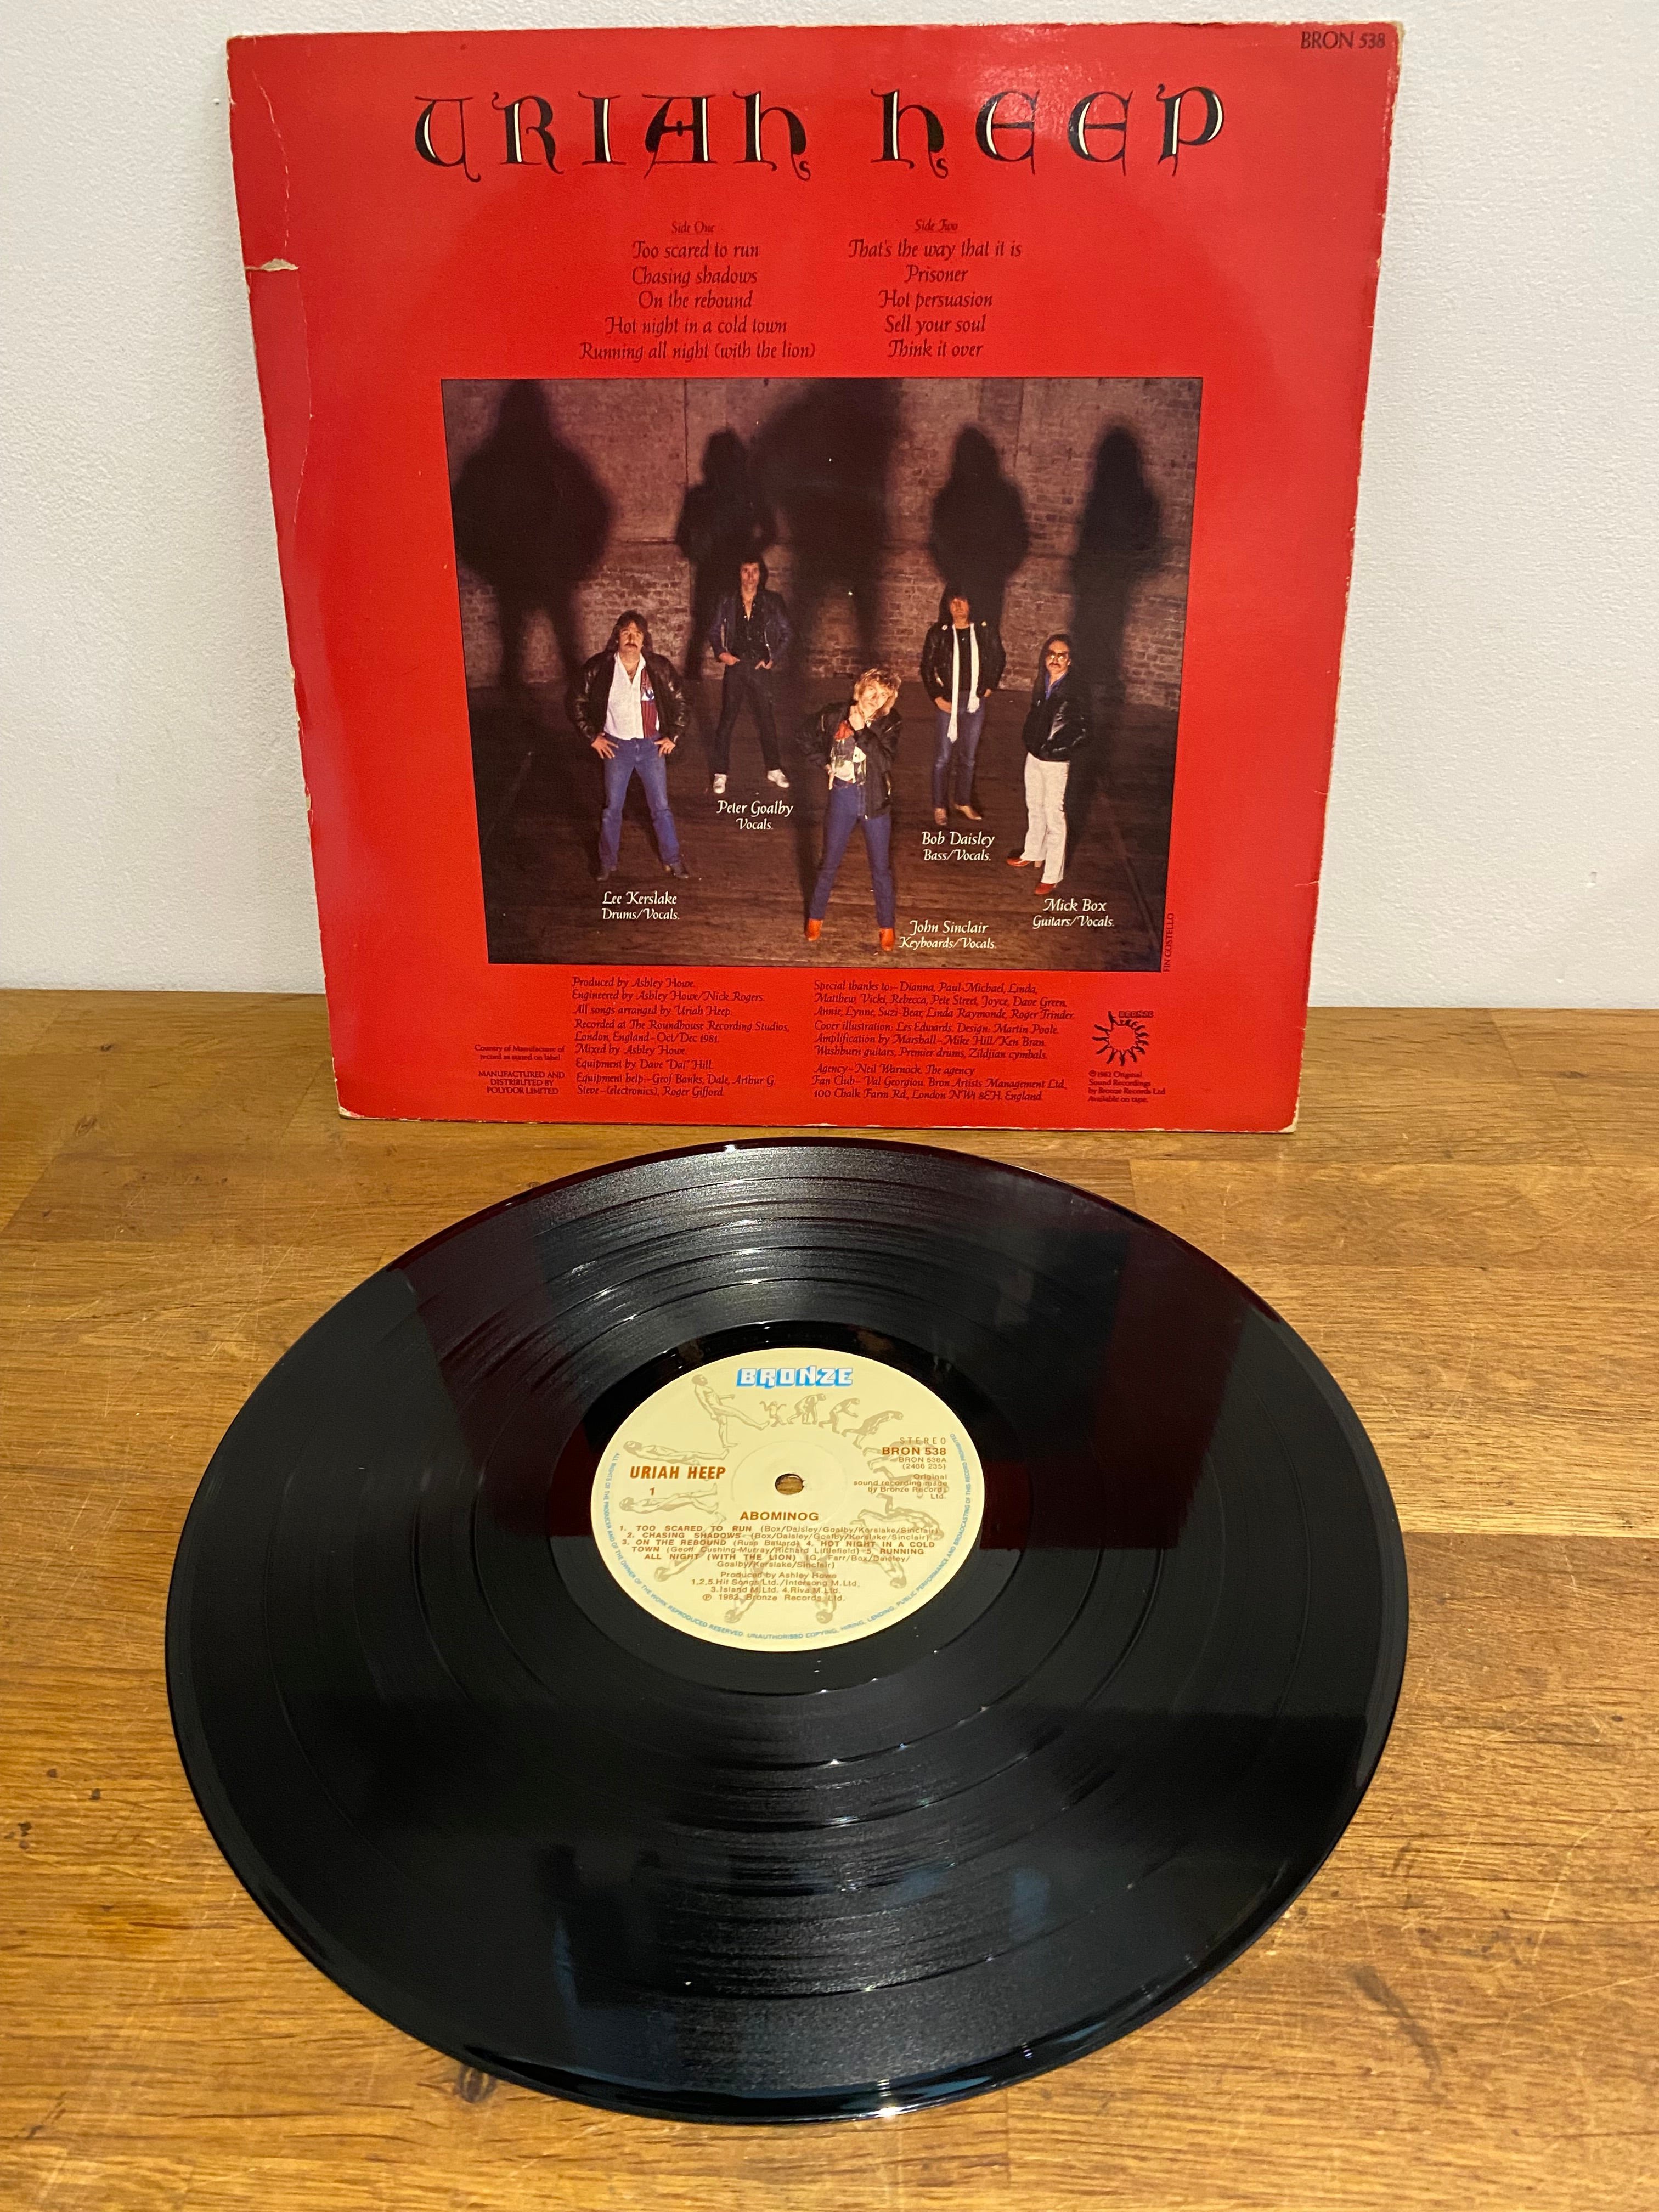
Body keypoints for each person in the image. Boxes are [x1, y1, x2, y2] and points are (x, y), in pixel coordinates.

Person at [569, 611, 690, 881]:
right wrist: (593, 737)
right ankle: (607, 861)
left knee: (661, 807)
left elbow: (682, 701)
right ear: (617, 637)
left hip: (651, 747)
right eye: (626, 633)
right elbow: (576, 702)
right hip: (617, 748)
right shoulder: (600, 668)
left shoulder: (658, 668)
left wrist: (674, 736)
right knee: (612, 808)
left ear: (645, 639)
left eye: (637, 634)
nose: (631, 638)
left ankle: (673, 859)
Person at [802, 668, 903, 952]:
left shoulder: (891, 722)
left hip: (875, 801)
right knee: (829, 864)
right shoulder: (835, 714)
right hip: (842, 797)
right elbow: (804, 736)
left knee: (881, 869)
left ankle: (887, 926)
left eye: (884, 695)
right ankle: (815, 918)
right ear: (861, 688)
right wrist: (825, 764)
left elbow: (884, 762)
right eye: (873, 690)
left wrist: (861, 730)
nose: (876, 698)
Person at [1006, 634, 1090, 897]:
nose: (1055, 659)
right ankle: (1033, 852)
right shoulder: (1042, 681)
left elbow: (1084, 731)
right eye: (1051, 654)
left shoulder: (1076, 690)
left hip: (1055, 761)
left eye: (1062, 655)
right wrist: (1030, 739)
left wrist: (1058, 750)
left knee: (1054, 814)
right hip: (1034, 755)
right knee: (1034, 805)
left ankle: (1052, 874)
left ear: (1070, 660)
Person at [706, 556, 793, 795]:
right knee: (727, 720)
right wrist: (721, 653)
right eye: (746, 571)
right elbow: (714, 630)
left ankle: (774, 768)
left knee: (766, 720)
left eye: (755, 571)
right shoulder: (727, 600)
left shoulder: (772, 601)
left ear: (761, 574)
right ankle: (721, 772)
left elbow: (788, 632)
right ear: (739, 574)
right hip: (736, 666)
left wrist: (773, 658)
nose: (751, 576)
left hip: (759, 668)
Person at [919, 588, 1006, 826]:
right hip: (949, 701)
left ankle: (963, 801)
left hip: (975, 702)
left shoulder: (984, 631)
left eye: (962, 601)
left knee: (968, 757)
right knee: (943, 758)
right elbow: (926, 667)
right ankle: (940, 805)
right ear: (947, 606)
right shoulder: (939, 633)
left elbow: (998, 658)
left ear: (971, 604)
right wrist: (937, 697)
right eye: (953, 602)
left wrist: (989, 686)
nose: (957, 606)